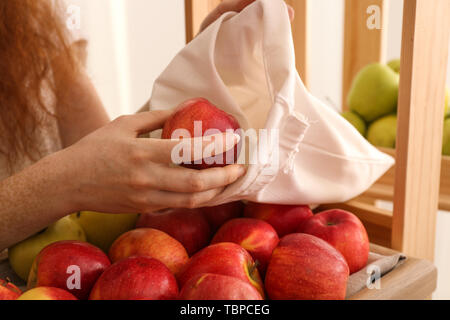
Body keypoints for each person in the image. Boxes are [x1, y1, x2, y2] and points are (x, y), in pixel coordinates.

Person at [0, 0, 294, 251]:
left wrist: (198, 70)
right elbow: (82, 172)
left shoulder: (31, 13)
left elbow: (99, 155)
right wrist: (63, 184)